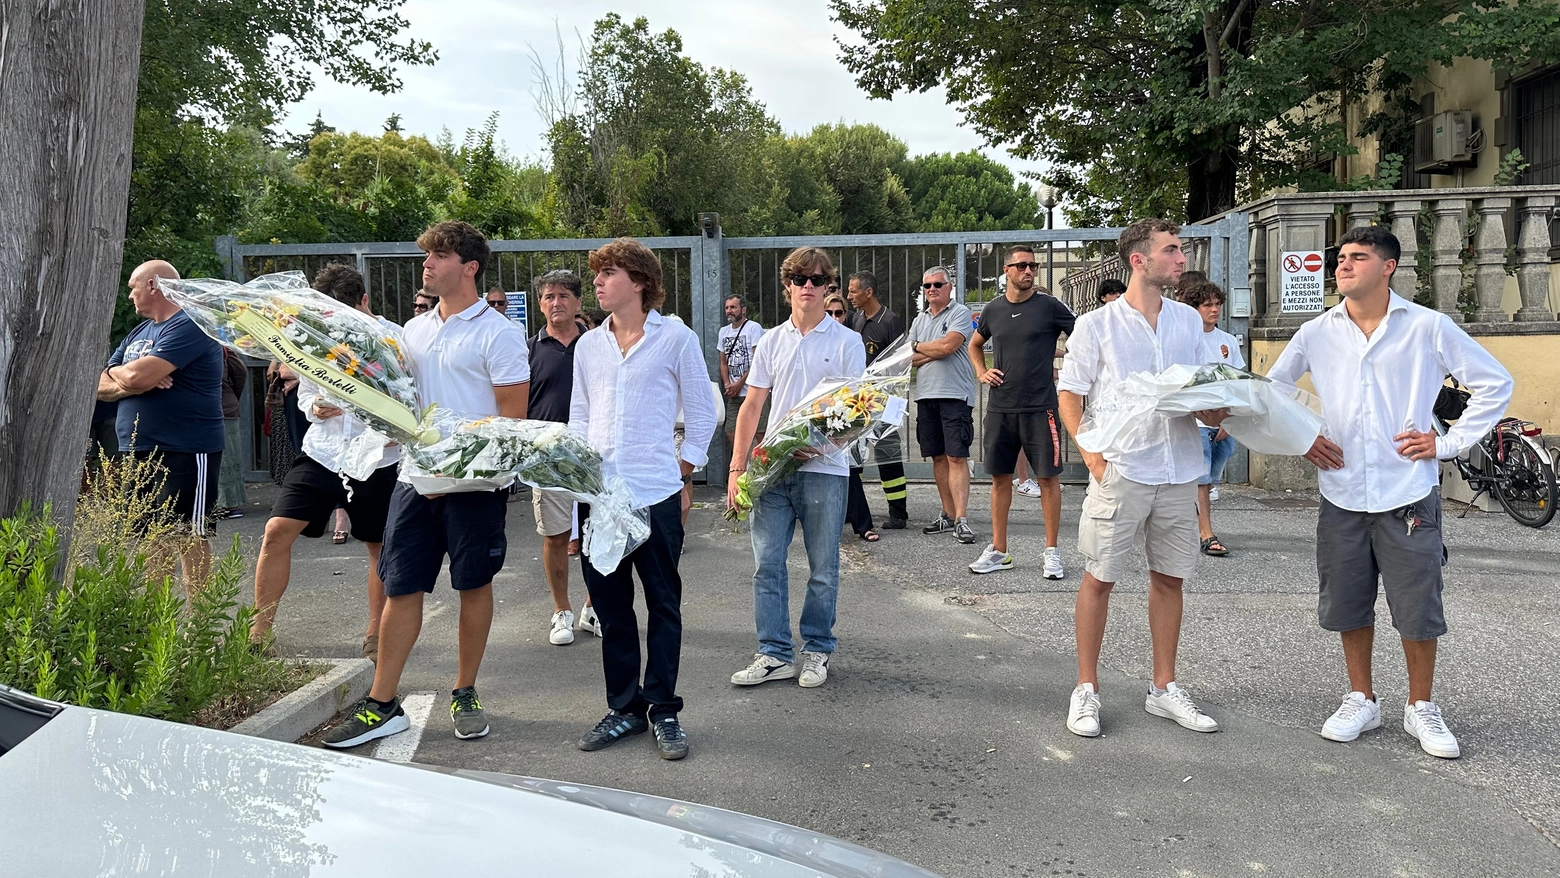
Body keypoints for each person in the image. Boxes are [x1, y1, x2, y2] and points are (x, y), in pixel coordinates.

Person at [1269, 226, 1512, 760]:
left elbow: (1495, 383)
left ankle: (1420, 705)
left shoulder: (1427, 327)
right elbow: (1273, 393)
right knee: (1348, 602)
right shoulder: (1316, 332)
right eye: (1340, 258)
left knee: (1417, 605)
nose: (1343, 265)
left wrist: (1447, 443)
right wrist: (1302, 437)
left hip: (1407, 492)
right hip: (1342, 492)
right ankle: (1362, 696)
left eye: (1357, 257)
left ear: (1389, 266)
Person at [324, 221, 530, 749]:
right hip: (414, 482)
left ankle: (464, 691)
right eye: (427, 256)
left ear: (470, 267)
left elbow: (512, 418)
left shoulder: (499, 332)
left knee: (473, 586)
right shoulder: (412, 331)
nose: (427, 264)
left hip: (474, 488)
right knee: (401, 588)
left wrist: (458, 464)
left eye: (438, 256)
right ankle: (382, 703)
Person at [1056, 218, 1228, 738]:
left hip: (1179, 471)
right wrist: (1093, 456)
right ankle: (1087, 688)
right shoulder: (1096, 325)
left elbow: (1200, 398)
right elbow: (1070, 394)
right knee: (1100, 576)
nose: (1181, 260)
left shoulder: (1185, 323)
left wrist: (1217, 412)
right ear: (1140, 259)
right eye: (1172, 251)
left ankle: (1163, 688)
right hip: (1123, 469)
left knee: (1170, 578)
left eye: (1180, 251)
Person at [569, 238, 718, 760]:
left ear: (639, 281)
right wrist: (574, 486)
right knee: (611, 609)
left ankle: (663, 708)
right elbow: (579, 418)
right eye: (598, 274)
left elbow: (704, 411)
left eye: (609, 273)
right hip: (599, 496)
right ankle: (624, 708)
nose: (598, 282)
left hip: (654, 493)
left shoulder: (674, 338)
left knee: (662, 604)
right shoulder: (588, 346)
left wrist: (682, 470)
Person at [248, 264, 402, 658]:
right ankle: (258, 632)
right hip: (324, 454)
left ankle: (375, 633)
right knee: (276, 531)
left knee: (376, 545)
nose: (334, 322)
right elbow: (305, 396)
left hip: (376, 459)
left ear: (365, 302)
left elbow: (409, 399)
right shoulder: (315, 338)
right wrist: (315, 405)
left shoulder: (394, 340)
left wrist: (390, 427)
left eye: (344, 313)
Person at [728, 248, 865, 690]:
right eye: (800, 278)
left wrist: (818, 446)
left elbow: (858, 411)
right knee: (767, 565)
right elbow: (752, 407)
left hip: (825, 469)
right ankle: (773, 653)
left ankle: (817, 649)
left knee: (823, 566)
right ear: (787, 285)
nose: (809, 285)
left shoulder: (847, 341)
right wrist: (737, 468)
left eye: (818, 279)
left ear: (830, 287)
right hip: (771, 468)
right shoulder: (770, 340)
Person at [97, 260, 225, 597]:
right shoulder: (140, 333)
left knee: (187, 536)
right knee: (148, 536)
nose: (130, 296)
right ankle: (155, 622)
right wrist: (133, 381)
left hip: (184, 447)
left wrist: (128, 375)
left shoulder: (191, 324)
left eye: (133, 287)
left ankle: (199, 629)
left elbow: (133, 375)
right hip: (137, 448)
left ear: (153, 285)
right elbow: (98, 383)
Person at [965, 246, 1075, 577]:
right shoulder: (993, 309)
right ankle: (999, 550)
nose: (1029, 271)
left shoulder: (1050, 306)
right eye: (1022, 265)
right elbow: (973, 344)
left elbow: (1083, 336)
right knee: (1000, 479)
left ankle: (1052, 552)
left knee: (1047, 479)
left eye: (1033, 266)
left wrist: (1072, 372)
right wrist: (981, 371)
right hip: (1001, 407)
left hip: (1041, 406)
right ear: (1007, 270)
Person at [526, 269, 599, 645]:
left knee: (597, 533)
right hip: (548, 458)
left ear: (578, 302)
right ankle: (561, 612)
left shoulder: (599, 343)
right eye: (549, 296)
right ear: (540, 304)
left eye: (564, 296)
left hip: (594, 456)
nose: (557, 303)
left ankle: (592, 608)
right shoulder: (529, 349)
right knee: (557, 536)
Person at [911, 267, 978, 545]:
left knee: (956, 457)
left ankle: (961, 519)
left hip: (954, 395)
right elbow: (910, 359)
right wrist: (933, 349)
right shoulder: (919, 319)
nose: (932, 289)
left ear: (950, 287)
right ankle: (947, 514)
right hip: (926, 395)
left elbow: (950, 346)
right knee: (938, 457)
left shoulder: (960, 313)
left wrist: (921, 346)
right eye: (927, 285)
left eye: (937, 284)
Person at [1176, 279, 1242, 556]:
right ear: (1194, 308)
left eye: (1217, 304)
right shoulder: (1183, 339)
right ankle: (1207, 533)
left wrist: (1230, 418)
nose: (1214, 309)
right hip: (1195, 422)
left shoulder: (1227, 341)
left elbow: (1238, 381)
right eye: (1207, 305)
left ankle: (1187, 522)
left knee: (1210, 479)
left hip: (1223, 422)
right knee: (1201, 480)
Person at [845, 271, 909, 528]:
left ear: (868, 292)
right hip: (860, 402)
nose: (849, 296)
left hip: (885, 401)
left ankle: (898, 513)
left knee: (888, 456)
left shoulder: (890, 320)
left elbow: (902, 363)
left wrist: (893, 402)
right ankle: (854, 511)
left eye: (853, 291)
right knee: (854, 456)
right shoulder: (857, 319)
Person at [826, 295, 876, 542]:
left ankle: (863, 525)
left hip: (845, 410)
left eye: (839, 312)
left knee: (851, 469)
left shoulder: (851, 340)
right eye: (830, 312)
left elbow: (858, 380)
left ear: (846, 315)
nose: (835, 317)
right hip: (818, 411)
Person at [718, 295, 767, 455]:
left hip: (754, 391)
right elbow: (723, 362)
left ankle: (761, 469)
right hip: (734, 393)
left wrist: (740, 383)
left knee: (761, 433)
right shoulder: (723, 332)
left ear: (743, 309)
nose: (729, 311)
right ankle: (744, 466)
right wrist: (727, 384)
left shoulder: (753, 328)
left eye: (733, 307)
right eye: (727, 308)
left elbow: (757, 361)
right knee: (730, 431)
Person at [215, 347, 248, 518]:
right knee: (228, 456)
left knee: (225, 457)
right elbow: (240, 373)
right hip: (225, 406)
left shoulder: (222, 347)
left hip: (222, 408)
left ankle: (225, 504)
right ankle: (229, 503)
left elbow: (240, 373)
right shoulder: (221, 347)